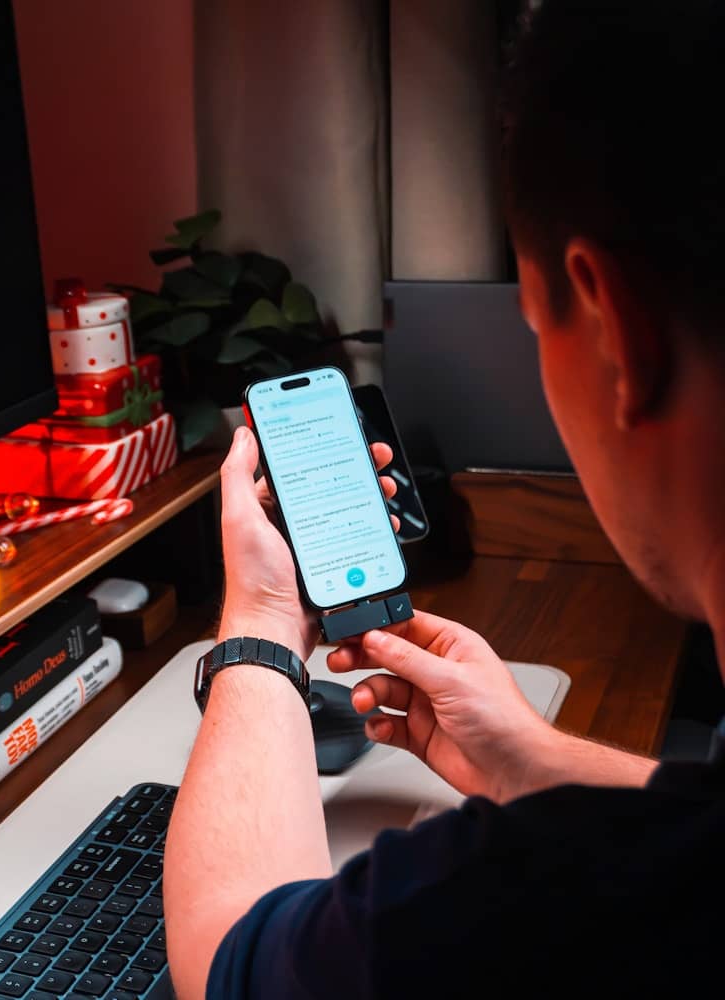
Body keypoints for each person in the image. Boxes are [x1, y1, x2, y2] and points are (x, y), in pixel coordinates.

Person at [164, 2, 725, 995]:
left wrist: (260, 624)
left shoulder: (515, 899)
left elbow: (231, 956)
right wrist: (528, 757)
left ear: (615, 327)